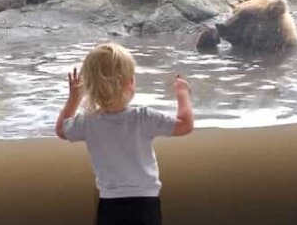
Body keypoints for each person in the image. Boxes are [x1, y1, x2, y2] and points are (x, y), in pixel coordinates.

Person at [56, 42, 194, 225]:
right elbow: (185, 125)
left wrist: (73, 99)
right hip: (146, 203)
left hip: (110, 204)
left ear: (88, 86)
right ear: (130, 83)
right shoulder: (144, 117)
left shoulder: (88, 122)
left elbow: (61, 130)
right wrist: (182, 93)